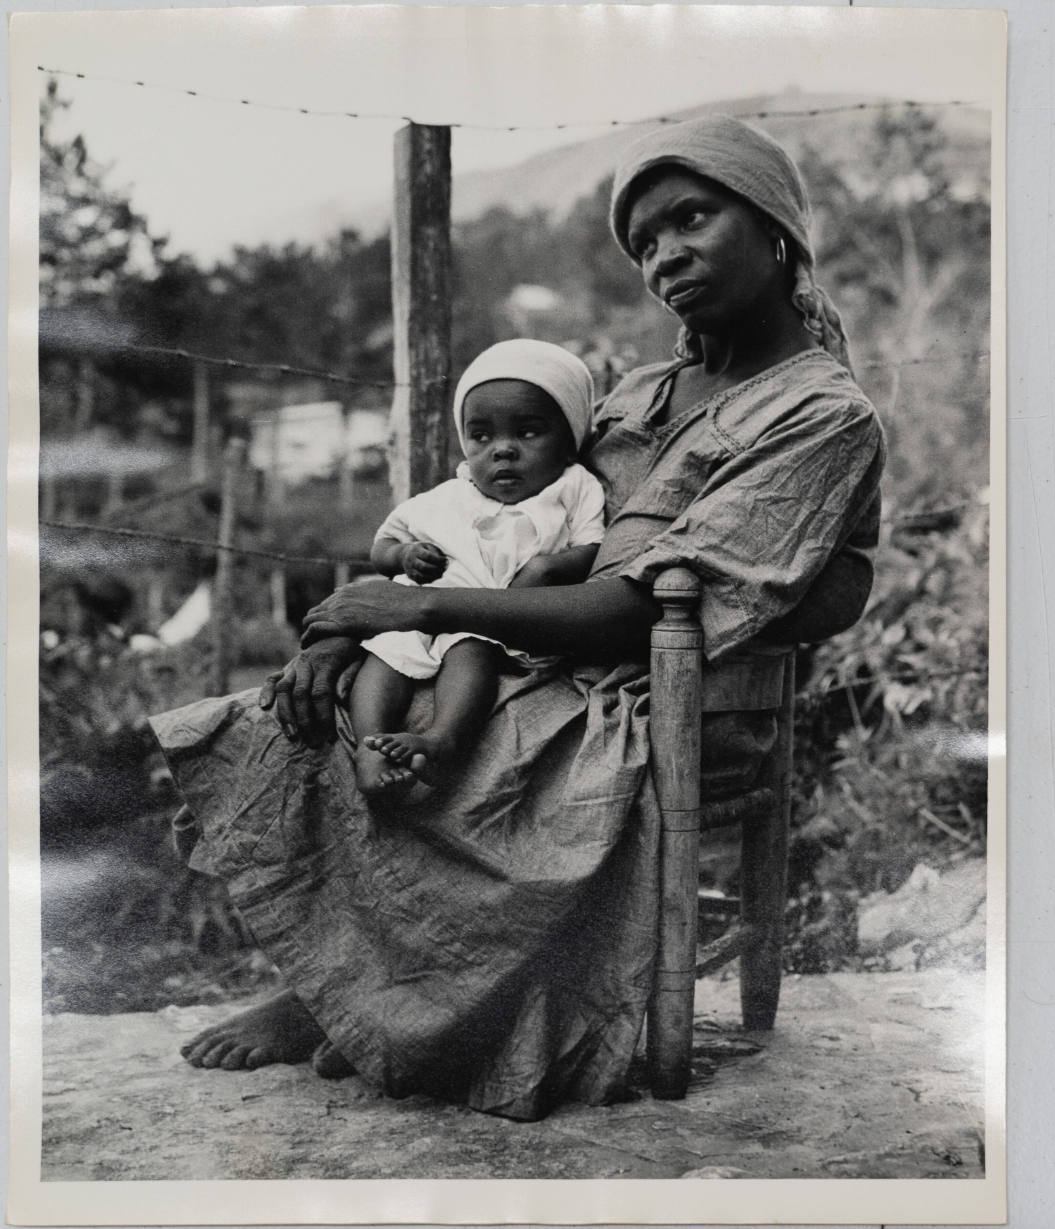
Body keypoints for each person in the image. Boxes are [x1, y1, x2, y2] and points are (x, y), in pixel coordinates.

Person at [150, 114, 885, 1120]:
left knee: (454, 738)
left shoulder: (818, 412)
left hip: (681, 683)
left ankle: (387, 1003)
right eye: (644, 241)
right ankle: (349, 988)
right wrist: (349, 629)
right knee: (301, 716)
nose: (665, 254)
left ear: (776, 228)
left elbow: (654, 600)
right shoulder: (643, 393)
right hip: (537, 649)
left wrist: (419, 605)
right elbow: (493, 520)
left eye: (691, 218)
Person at [349, 339, 605, 797]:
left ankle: (445, 739)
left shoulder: (575, 487)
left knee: (471, 649)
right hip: (423, 605)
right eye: (482, 436)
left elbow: (592, 545)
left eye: (527, 433)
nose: (502, 451)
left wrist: (550, 566)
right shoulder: (450, 496)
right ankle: (369, 748)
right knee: (384, 652)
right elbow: (383, 544)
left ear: (570, 440)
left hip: (492, 618)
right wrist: (405, 557)